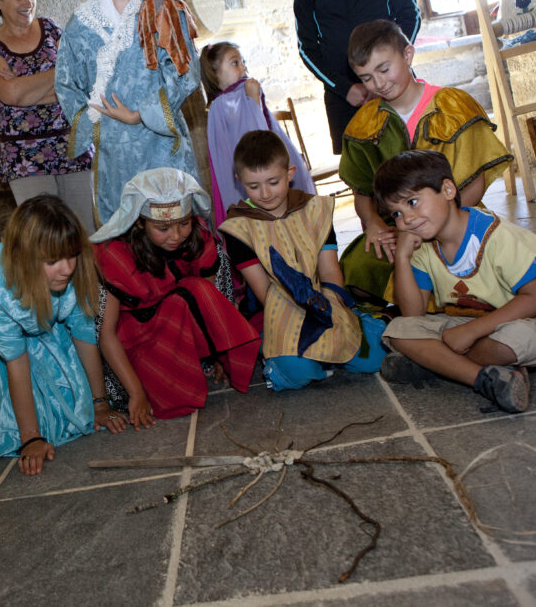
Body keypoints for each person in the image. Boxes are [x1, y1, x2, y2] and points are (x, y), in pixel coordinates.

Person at [374, 151, 536, 413]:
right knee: (398, 330)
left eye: (412, 202)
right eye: (396, 214)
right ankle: (484, 379)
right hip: (463, 324)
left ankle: (435, 363)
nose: (406, 220)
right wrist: (402, 258)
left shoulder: (495, 235)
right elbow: (413, 314)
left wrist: (472, 331)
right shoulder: (422, 247)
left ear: (447, 190)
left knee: (518, 341)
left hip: (525, 320)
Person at [338, 19, 512, 302]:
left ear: (408, 55)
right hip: (399, 225)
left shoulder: (452, 107)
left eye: (384, 69)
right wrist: (374, 223)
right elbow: (362, 193)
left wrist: (437, 223)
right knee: (358, 270)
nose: (379, 83)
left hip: (456, 219)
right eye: (366, 78)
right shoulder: (363, 125)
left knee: (476, 270)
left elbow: (476, 183)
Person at [0, 195, 129, 476]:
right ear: (25, 259)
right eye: (53, 260)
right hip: (2, 349)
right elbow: (16, 361)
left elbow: (84, 337)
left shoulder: (74, 270)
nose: (67, 269)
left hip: (49, 328)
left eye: (72, 255)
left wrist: (99, 403)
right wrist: (31, 437)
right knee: (32, 419)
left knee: (76, 407)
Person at [56, 0, 202, 227]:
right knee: (127, 234)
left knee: (171, 229)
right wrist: (93, 123)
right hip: (114, 151)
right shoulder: (80, 24)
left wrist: (140, 115)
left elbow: (185, 75)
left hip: (161, 143)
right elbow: (66, 83)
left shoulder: (164, 11)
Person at [219, 131, 386, 390]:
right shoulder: (238, 227)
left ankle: (354, 332)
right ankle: (297, 360)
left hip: (323, 300)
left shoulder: (316, 210)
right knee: (298, 372)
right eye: (253, 186)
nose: (265, 193)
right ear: (239, 181)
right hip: (277, 311)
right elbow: (264, 292)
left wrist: (331, 304)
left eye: (273, 182)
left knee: (372, 358)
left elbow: (329, 270)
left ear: (290, 173)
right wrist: (306, 317)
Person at [91, 168, 261, 418]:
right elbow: (106, 335)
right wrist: (136, 392)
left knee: (197, 287)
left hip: (180, 320)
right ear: (139, 222)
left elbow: (210, 303)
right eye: (163, 228)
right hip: (138, 338)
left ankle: (204, 360)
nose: (177, 236)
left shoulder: (198, 236)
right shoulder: (114, 254)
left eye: (184, 223)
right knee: (174, 400)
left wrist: (217, 353)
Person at [0, 0, 95, 231]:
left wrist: (26, 89)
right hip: (24, 158)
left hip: (72, 145)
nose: (28, 2)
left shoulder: (50, 28)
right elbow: (11, 94)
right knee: (45, 237)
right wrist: (60, 74)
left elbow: (81, 81)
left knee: (85, 232)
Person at [293, 0, 420, 156]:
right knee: (363, 172)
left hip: (394, 84)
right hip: (345, 98)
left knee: (416, 160)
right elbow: (307, 48)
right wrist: (345, 88)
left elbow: (409, 15)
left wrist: (389, 68)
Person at [200, 41, 316, 226]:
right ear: (215, 74)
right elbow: (256, 144)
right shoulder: (223, 105)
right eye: (235, 63)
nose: (243, 67)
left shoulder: (238, 97)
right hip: (255, 174)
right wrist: (253, 101)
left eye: (243, 62)